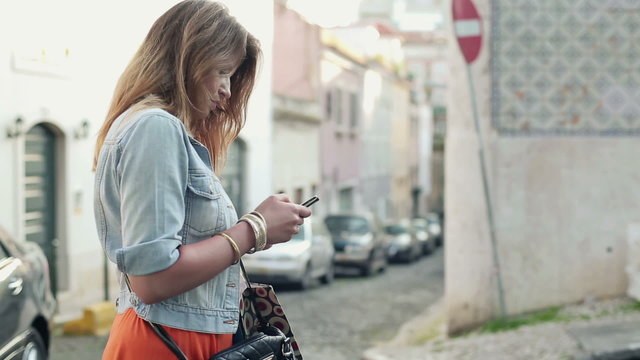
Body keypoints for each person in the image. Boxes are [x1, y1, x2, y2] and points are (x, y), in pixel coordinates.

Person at [92, 1, 311, 358]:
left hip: (186, 337)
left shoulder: (158, 129)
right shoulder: (155, 127)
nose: (227, 90)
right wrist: (254, 228)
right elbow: (154, 279)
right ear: (187, 60)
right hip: (165, 342)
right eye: (222, 71)